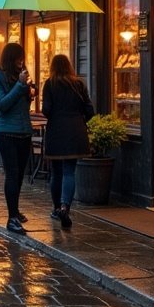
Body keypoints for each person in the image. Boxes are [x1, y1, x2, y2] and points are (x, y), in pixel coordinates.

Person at [0, 42, 36, 235]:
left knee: (20, 174)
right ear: (10, 58)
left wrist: (31, 92)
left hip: (24, 130)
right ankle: (11, 219)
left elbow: (22, 104)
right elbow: (3, 104)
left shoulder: (21, 76)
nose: (20, 62)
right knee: (12, 173)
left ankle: (15, 210)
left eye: (22, 58)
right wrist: (19, 86)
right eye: (17, 58)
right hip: (7, 133)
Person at [41, 53, 94, 230]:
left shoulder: (50, 84)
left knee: (56, 172)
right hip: (75, 130)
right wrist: (79, 121)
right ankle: (65, 207)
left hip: (56, 130)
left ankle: (56, 208)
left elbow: (46, 110)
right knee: (69, 171)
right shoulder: (78, 84)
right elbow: (90, 110)